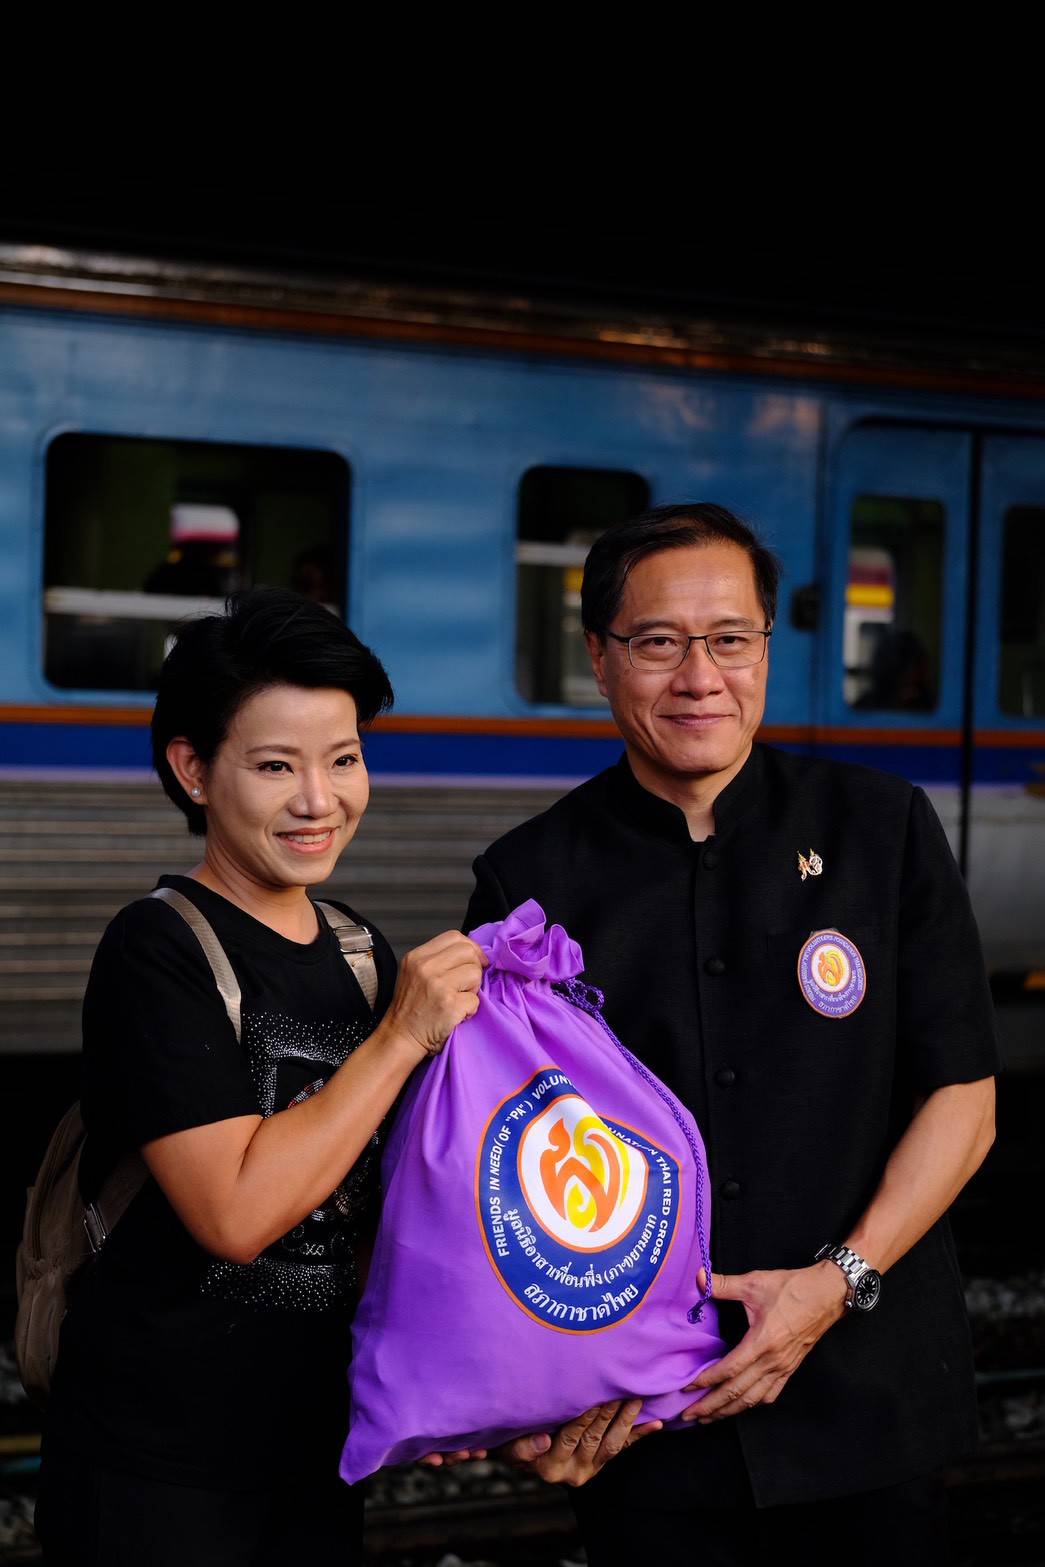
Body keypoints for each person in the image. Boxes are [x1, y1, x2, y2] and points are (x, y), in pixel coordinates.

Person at [464, 504, 998, 1565]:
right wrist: (519, 1384)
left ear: (765, 646)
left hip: (867, 1397)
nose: (699, 677)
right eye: (658, 642)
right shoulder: (527, 875)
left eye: (730, 639)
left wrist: (833, 1282)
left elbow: (963, 1099)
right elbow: (496, 1161)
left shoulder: (880, 827)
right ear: (599, 657)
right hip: (646, 1419)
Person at [36, 589, 486, 1566]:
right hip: (157, 1475)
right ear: (193, 770)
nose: (320, 800)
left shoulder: (360, 953)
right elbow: (236, 1212)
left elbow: (390, 1211)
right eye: (276, 765)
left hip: (313, 1458)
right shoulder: (156, 950)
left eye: (344, 759)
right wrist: (399, 1038)